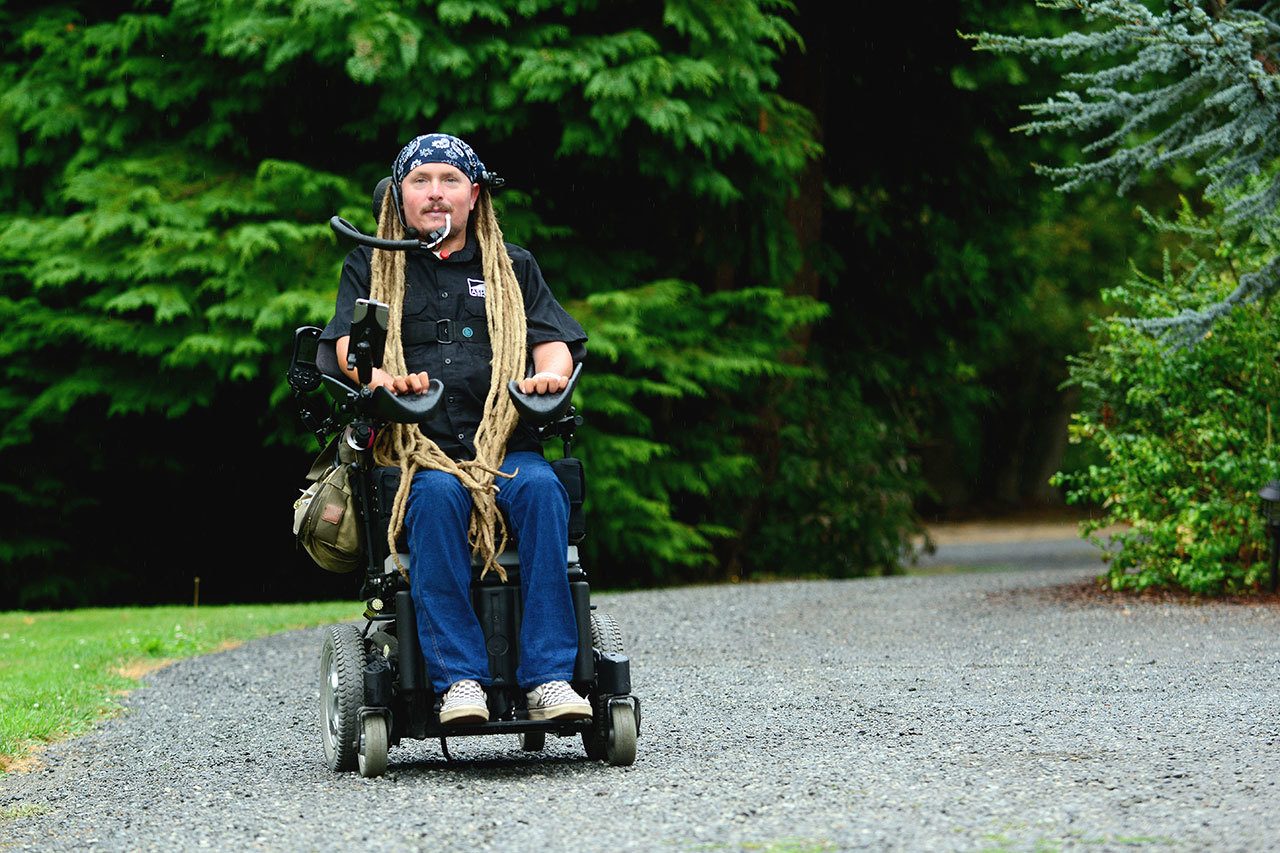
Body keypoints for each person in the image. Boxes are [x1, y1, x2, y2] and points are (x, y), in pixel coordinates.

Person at [319, 133, 591, 725]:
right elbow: (345, 347)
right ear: (399, 195)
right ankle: (459, 681)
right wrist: (383, 378)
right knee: (438, 498)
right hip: (418, 453)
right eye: (421, 182)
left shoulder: (512, 265)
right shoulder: (370, 264)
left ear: (474, 195)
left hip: (505, 446)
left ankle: (549, 679)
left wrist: (547, 376)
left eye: (448, 181)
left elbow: (553, 342)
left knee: (544, 491)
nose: (435, 194)